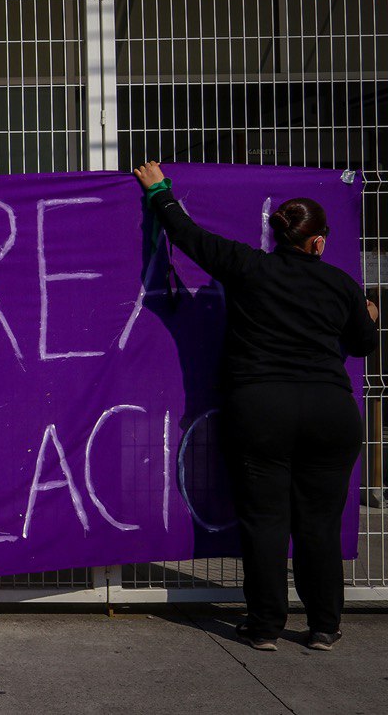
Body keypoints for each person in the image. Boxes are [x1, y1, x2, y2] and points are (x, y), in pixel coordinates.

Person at [134, 160, 378, 652]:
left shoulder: (248, 267)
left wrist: (159, 191)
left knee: (266, 522)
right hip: (331, 414)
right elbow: (362, 345)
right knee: (319, 525)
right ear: (318, 241)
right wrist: (370, 313)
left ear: (276, 234)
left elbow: (187, 235)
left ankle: (265, 625)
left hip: (261, 410)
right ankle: (324, 626)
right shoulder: (342, 285)